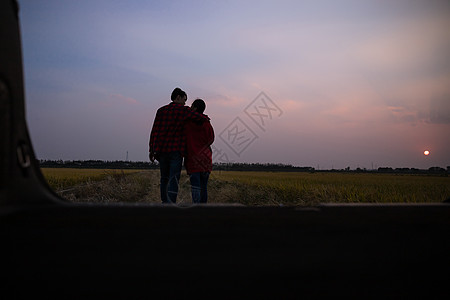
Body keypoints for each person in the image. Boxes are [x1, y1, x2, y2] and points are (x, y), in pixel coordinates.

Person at [149, 88, 209, 204]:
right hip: (176, 151)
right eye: (184, 100)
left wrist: (152, 150)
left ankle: (164, 202)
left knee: (164, 178)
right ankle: (171, 204)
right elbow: (199, 116)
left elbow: (154, 131)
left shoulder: (161, 111)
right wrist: (206, 118)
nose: (185, 103)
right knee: (173, 179)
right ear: (178, 97)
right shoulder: (183, 110)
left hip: (161, 151)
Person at [184, 99, 214, 203]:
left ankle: (196, 211)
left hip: (193, 160)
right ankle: (203, 211)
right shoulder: (206, 123)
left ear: (195, 108)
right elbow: (211, 139)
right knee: (203, 187)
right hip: (205, 160)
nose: (190, 107)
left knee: (195, 187)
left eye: (192, 105)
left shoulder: (187, 123)